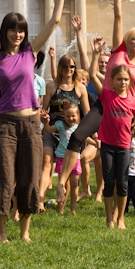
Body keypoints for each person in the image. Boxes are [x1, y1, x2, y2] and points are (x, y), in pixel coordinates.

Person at [0, 0, 71, 243]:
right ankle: (1, 231)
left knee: (30, 177)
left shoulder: (30, 53)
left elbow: (55, 21)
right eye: (13, 30)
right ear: (5, 31)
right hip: (5, 124)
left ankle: (25, 232)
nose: (17, 35)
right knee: (5, 178)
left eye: (21, 31)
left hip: (32, 123)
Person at [58, 0, 135, 186]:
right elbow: (118, 16)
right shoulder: (118, 52)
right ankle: (61, 183)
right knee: (77, 136)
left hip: (123, 112)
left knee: (114, 159)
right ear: (128, 40)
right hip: (103, 104)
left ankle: (114, 201)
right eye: (134, 38)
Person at [88, 37, 135, 228]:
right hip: (107, 145)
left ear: (130, 82)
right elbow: (91, 74)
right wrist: (96, 54)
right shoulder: (106, 95)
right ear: (112, 81)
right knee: (109, 182)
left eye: (125, 79)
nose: (122, 82)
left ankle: (120, 218)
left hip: (124, 147)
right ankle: (108, 218)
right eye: (119, 79)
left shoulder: (133, 102)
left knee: (122, 183)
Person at [40, 43, 90, 206]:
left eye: (72, 66)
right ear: (60, 68)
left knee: (68, 170)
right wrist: (43, 117)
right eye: (66, 66)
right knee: (47, 161)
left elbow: (87, 113)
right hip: (52, 130)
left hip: (71, 134)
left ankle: (64, 204)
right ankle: (40, 200)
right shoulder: (51, 86)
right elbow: (44, 108)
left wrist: (88, 133)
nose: (69, 69)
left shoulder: (80, 88)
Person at [71, 15, 104, 201]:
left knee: (95, 161)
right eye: (101, 63)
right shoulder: (90, 79)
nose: (103, 65)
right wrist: (78, 33)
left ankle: (98, 191)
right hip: (88, 126)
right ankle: (87, 189)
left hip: (102, 128)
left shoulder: (109, 83)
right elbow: (84, 57)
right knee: (86, 159)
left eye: (106, 64)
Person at [43, 102, 83, 215]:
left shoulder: (80, 128)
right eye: (68, 116)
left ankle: (73, 208)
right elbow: (48, 130)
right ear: (64, 116)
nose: (70, 118)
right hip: (62, 157)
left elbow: (86, 138)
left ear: (78, 116)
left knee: (75, 184)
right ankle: (60, 207)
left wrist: (96, 142)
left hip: (76, 158)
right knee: (63, 184)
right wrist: (46, 123)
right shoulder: (60, 125)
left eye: (73, 116)